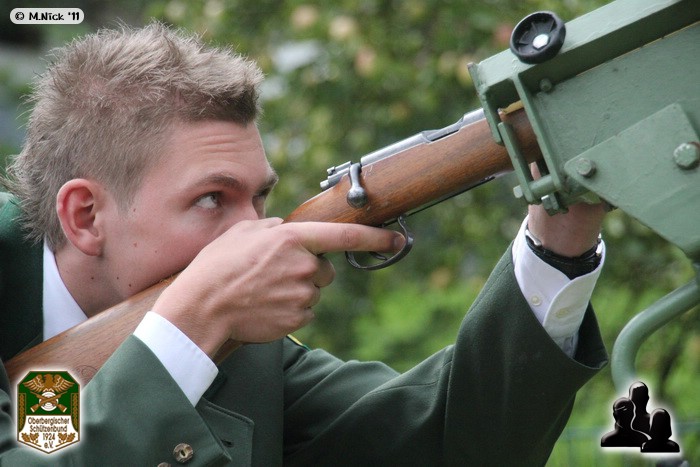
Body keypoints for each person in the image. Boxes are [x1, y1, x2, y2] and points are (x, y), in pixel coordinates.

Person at [0, 23, 608, 465]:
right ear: (85, 217)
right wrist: (190, 323)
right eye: (211, 199)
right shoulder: (204, 320)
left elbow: (457, 444)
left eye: (259, 197)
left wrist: (561, 233)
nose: (256, 234)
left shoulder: (241, 346)